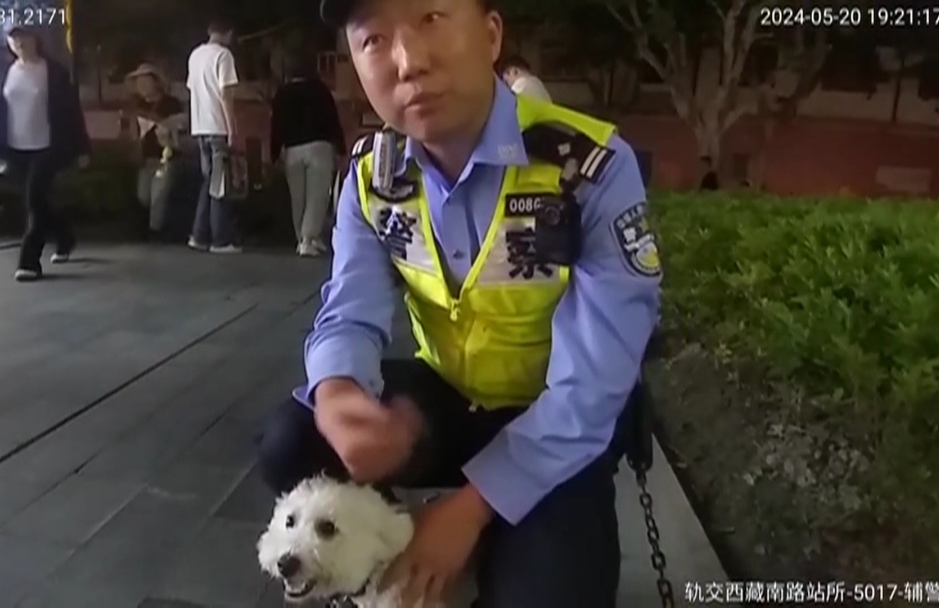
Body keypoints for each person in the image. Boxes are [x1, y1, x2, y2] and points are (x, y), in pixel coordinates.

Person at [256, 0, 661, 607]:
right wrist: (339, 393)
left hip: (551, 415)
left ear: (491, 35)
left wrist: (467, 512)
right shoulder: (373, 175)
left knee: (550, 595)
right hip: (445, 398)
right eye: (373, 41)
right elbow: (349, 311)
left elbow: (594, 385)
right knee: (291, 440)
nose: (407, 62)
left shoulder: (587, 169)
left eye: (431, 20)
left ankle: (489, 543)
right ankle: (389, 561)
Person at [0, 25, 90, 282]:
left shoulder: (53, 72)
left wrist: (82, 147)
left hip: (46, 146)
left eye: (24, 37)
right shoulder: (7, 71)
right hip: (16, 148)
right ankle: (64, 236)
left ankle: (29, 261)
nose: (19, 42)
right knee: (37, 202)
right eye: (14, 38)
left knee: (33, 200)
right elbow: (0, 112)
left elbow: (71, 111)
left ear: (35, 39)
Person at [270, 57, 346, 256]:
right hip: (319, 147)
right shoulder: (320, 90)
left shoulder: (283, 93)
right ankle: (309, 238)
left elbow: (276, 125)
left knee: (298, 198)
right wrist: (341, 148)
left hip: (292, 150)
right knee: (317, 196)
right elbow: (332, 119)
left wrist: (275, 152)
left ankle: (303, 239)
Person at [186, 16, 243, 254]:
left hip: (200, 127)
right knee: (219, 186)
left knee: (208, 182)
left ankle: (199, 235)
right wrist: (232, 129)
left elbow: (192, 89)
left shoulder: (195, 55)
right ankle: (220, 239)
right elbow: (226, 95)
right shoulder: (223, 56)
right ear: (228, 33)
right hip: (218, 127)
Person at [125, 63, 186, 241]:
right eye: (138, 83)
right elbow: (132, 132)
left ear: (156, 82)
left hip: (166, 158)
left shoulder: (171, 103)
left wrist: (158, 121)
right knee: (143, 196)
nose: (142, 86)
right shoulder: (137, 105)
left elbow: (181, 124)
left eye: (145, 81)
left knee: (159, 196)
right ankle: (145, 231)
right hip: (146, 160)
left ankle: (156, 233)